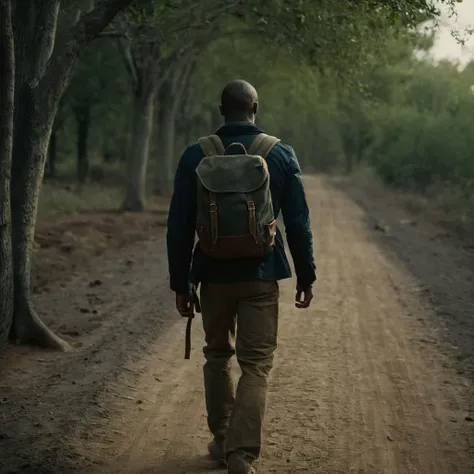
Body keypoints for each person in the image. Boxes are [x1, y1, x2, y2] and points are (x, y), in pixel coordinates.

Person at [167, 79, 316, 474]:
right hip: (261, 274)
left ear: (221, 111)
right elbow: (299, 222)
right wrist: (306, 274)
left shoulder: (195, 155)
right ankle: (241, 453)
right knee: (256, 366)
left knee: (217, 355)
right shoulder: (280, 153)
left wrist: (180, 283)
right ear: (256, 108)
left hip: (212, 275)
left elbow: (178, 226)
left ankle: (220, 439)